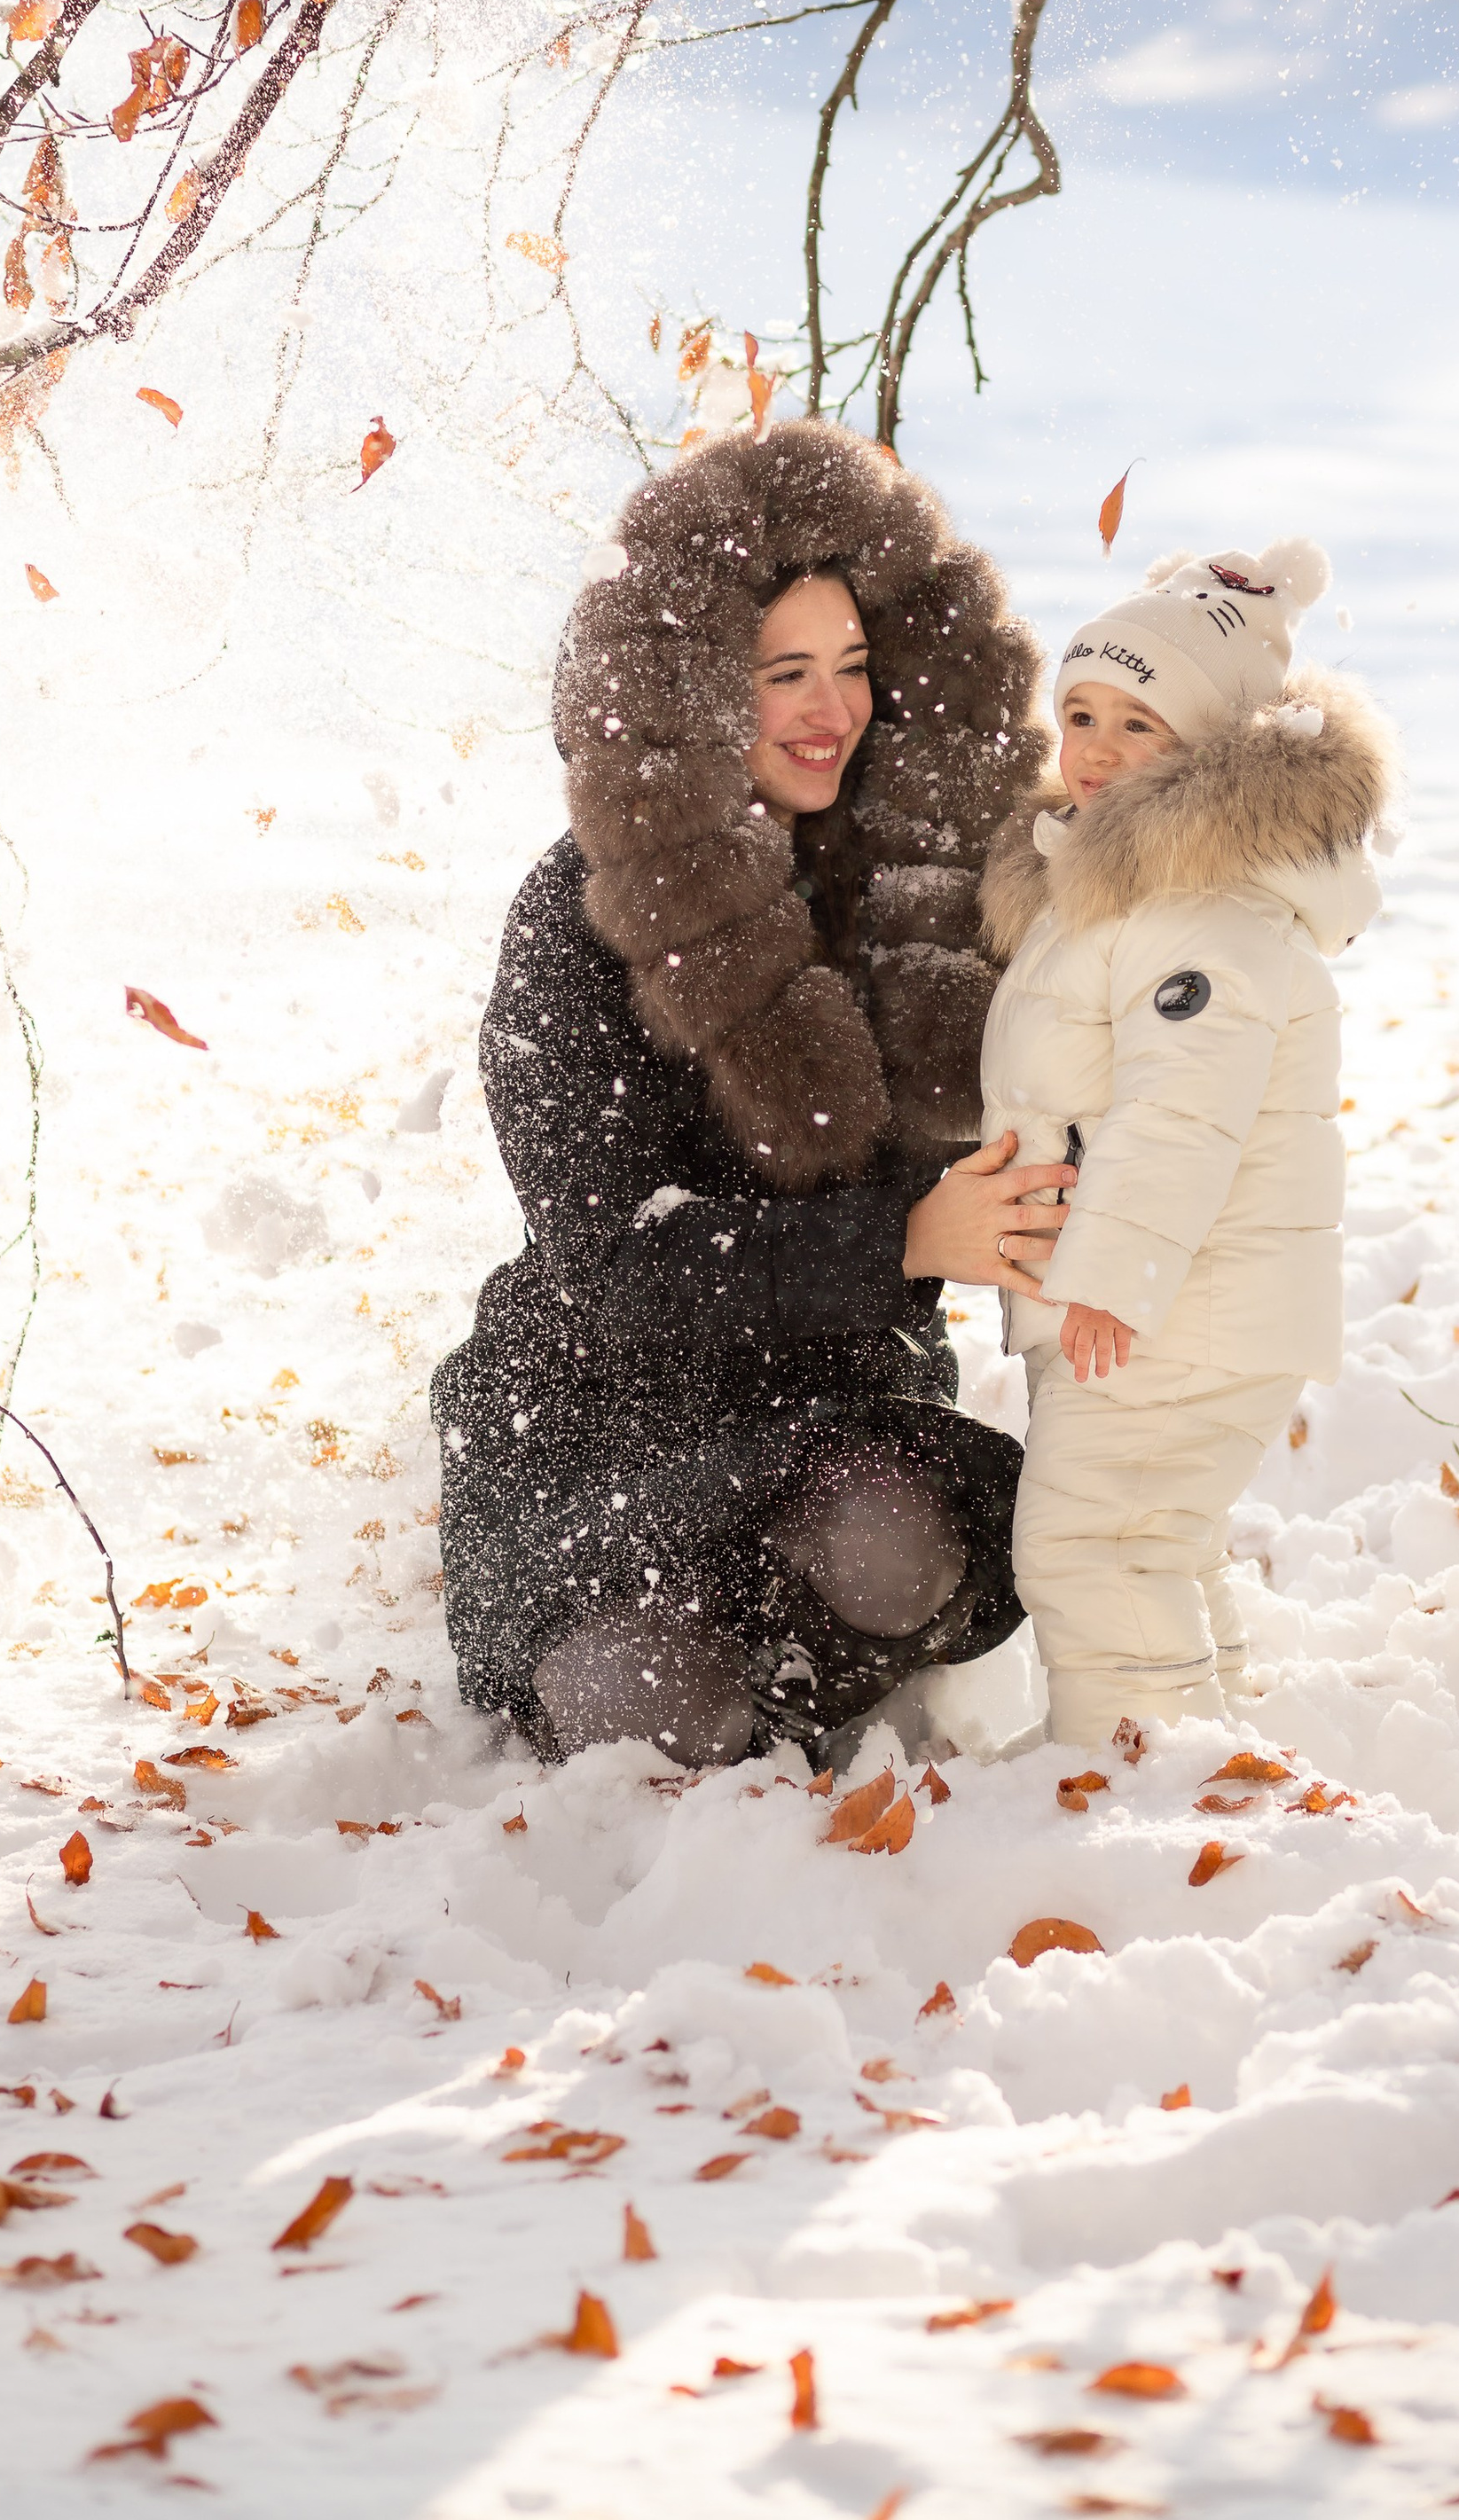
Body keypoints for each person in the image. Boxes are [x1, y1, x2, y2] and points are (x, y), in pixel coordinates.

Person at [432, 418, 1069, 1768]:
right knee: (645, 1708)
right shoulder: (575, 918)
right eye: (787, 672)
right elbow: (610, 1263)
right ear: (701, 686)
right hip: (607, 1428)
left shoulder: (915, 894)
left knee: (895, 1548)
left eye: (853, 667)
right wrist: (895, 1239)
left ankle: (796, 1667)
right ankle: (694, 1682)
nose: (831, 709)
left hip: (834, 1407)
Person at [977, 537, 1396, 1745]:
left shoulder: (1199, 910)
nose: (1097, 748)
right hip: (1164, 1300)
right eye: (1081, 713)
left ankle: (1132, 1778)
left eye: (1139, 724)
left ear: (1208, 750)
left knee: (1089, 1540)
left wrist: (1112, 1271)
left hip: (1174, 1303)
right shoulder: (1123, 892)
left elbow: (1183, 1111)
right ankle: (1203, 1741)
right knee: (1155, 1533)